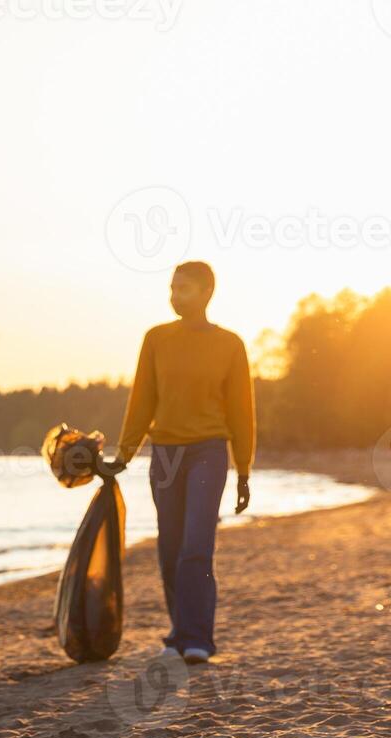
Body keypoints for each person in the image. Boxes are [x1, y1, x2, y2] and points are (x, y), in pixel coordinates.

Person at [106, 261, 256, 667]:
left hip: (208, 450)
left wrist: (243, 469)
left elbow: (242, 410)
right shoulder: (156, 339)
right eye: (171, 288)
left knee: (196, 546)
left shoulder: (230, 344)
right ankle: (179, 631)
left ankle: (198, 639)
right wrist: (124, 453)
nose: (174, 296)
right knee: (169, 547)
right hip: (166, 453)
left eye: (183, 289)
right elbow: (142, 400)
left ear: (207, 292)